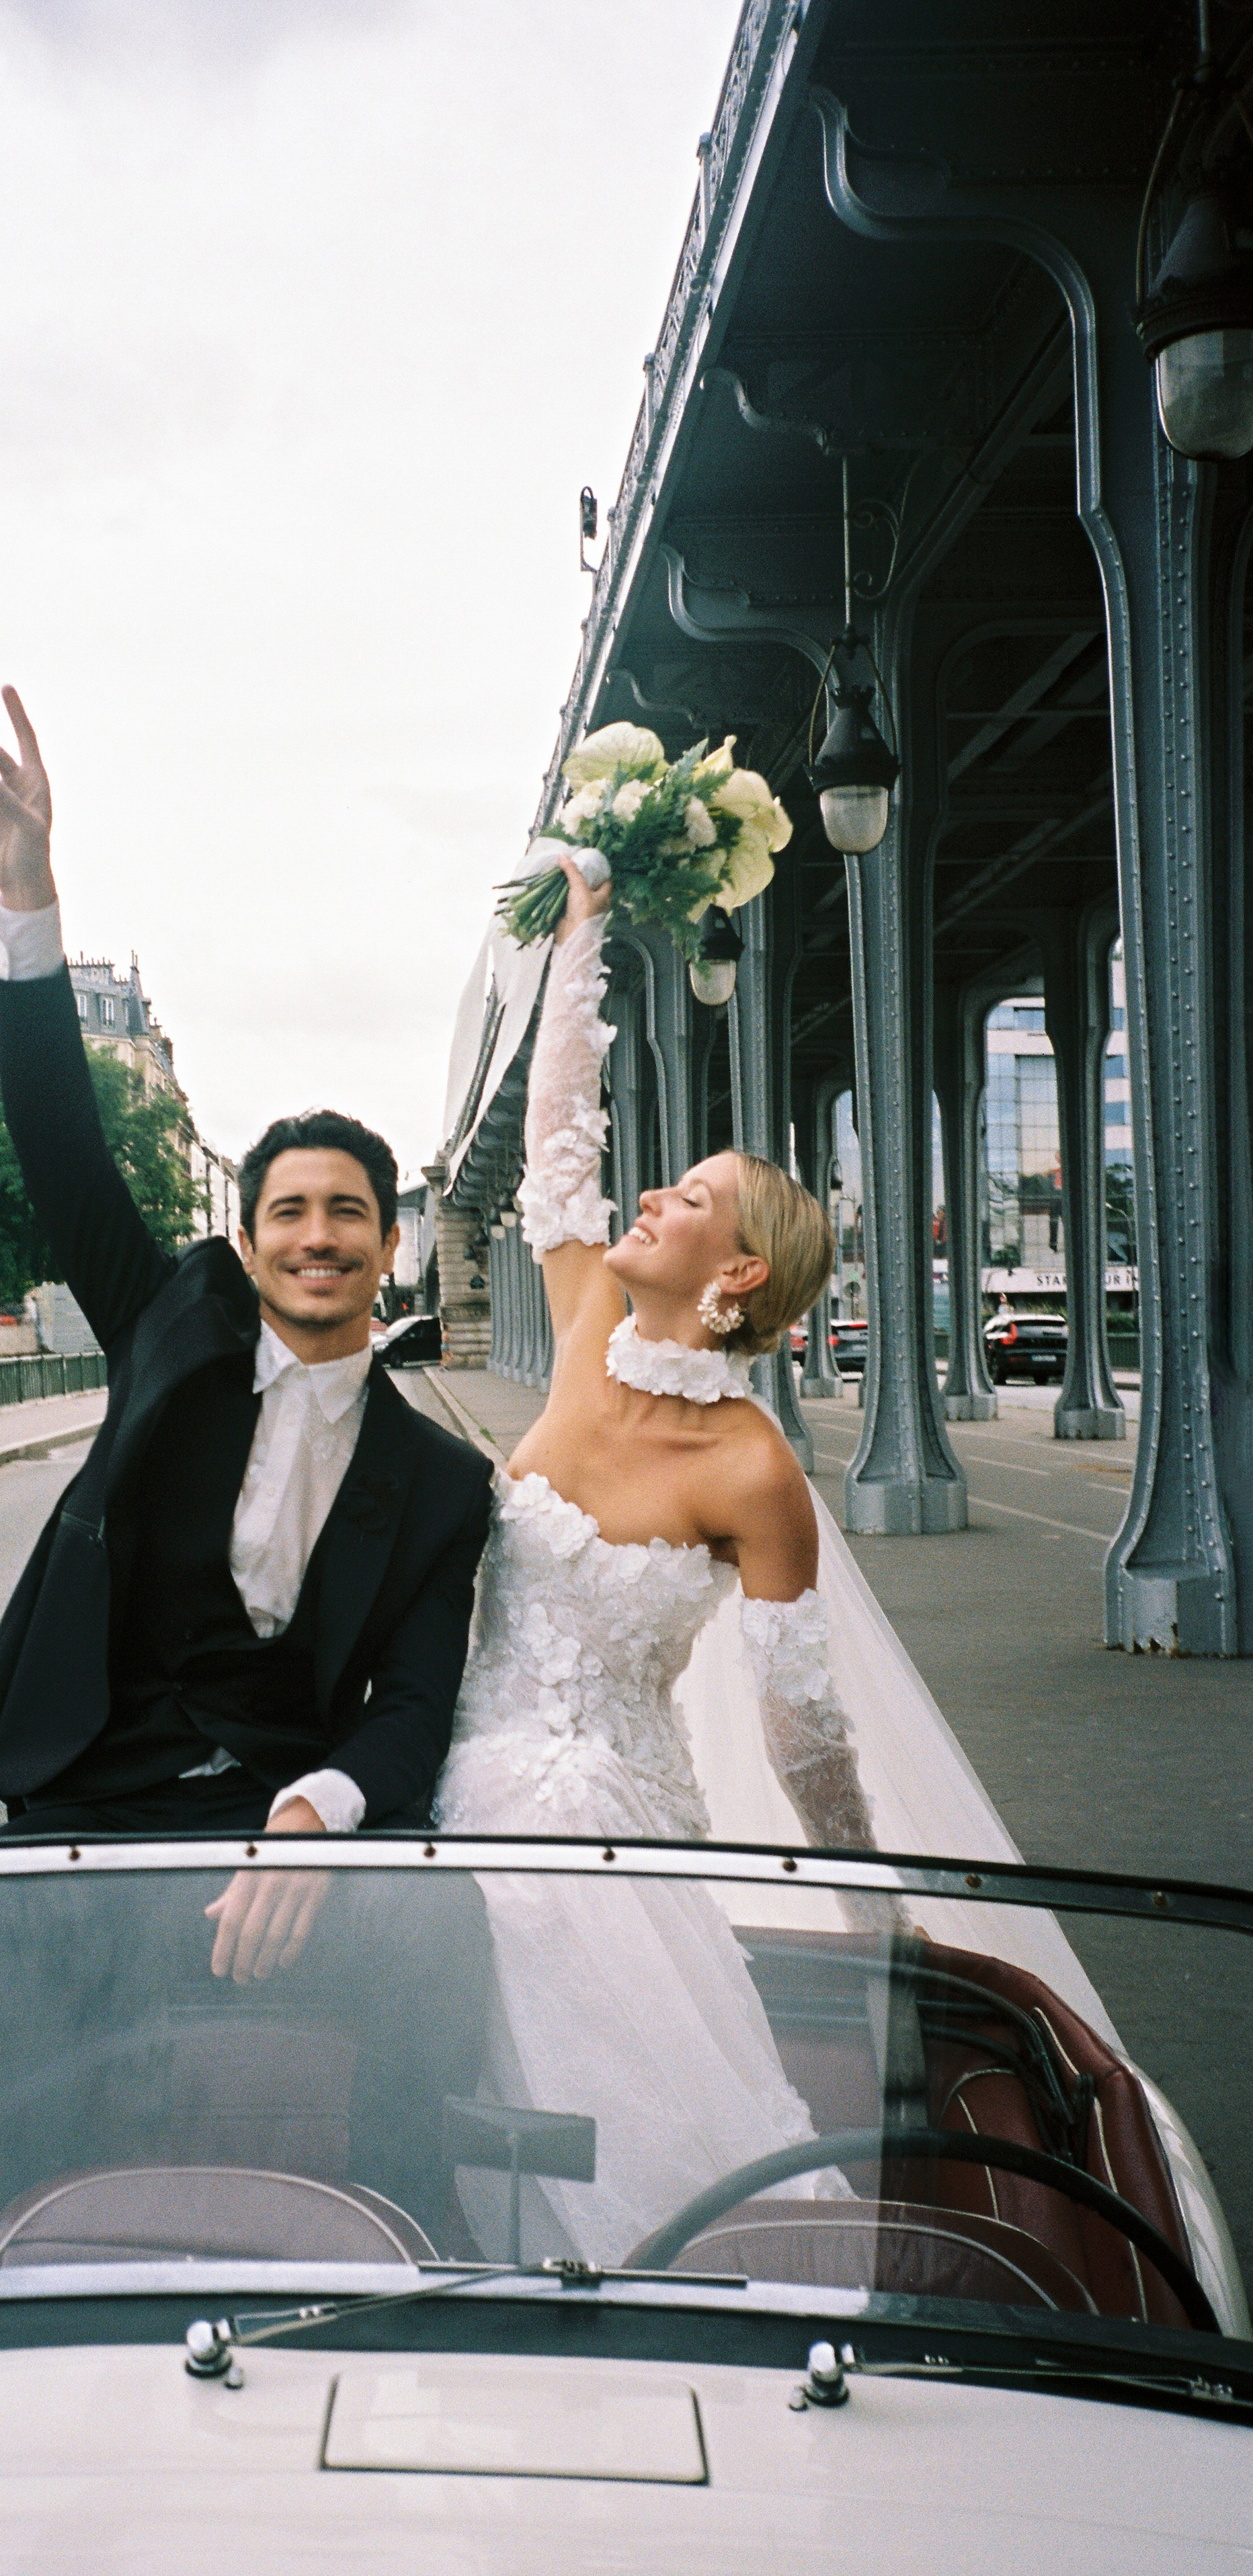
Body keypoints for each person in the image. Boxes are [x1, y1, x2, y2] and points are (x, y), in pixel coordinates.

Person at [431, 855, 1104, 2264]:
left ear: (735, 1276)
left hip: (620, 1826)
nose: (651, 1201)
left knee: (646, 2141)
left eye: (686, 1198)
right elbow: (558, 1132)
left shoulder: (753, 1472)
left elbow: (802, 1733)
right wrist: (582, 936)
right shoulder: (570, 1330)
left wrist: (869, 1904)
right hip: (458, 1797)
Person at [0, 689, 495, 1992]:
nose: (318, 1236)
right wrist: (30, 898)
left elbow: (415, 1706)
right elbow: (61, 1146)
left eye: (347, 1213)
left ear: (389, 1246)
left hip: (275, 1805)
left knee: (442, 1971)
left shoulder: (442, 1485)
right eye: (288, 1212)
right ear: (244, 1247)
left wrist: (321, 1809)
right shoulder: (166, 1327)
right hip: (88, 1788)